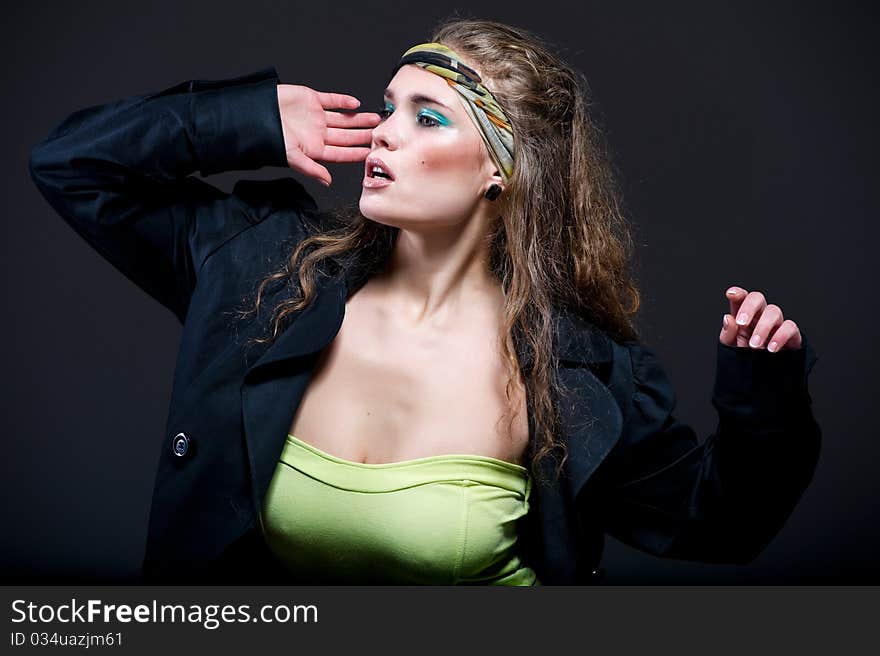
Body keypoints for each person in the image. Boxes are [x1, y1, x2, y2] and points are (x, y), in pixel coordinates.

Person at [28, 18, 820, 585]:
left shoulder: (573, 369)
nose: (383, 133)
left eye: (427, 116)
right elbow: (69, 166)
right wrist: (242, 117)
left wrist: (764, 397)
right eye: (390, 104)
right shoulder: (263, 273)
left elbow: (720, 526)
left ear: (500, 174)